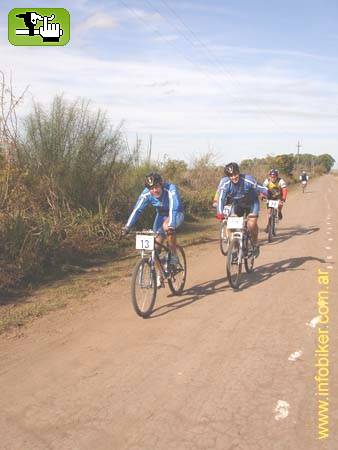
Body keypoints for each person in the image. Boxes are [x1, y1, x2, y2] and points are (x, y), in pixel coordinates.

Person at [123, 172, 184, 287]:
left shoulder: (171, 189)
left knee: (167, 227)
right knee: (154, 248)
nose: (154, 190)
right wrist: (127, 226)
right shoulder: (146, 194)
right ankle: (160, 275)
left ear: (161, 184)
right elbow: (137, 210)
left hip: (176, 213)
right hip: (161, 215)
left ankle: (174, 257)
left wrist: (170, 224)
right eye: (151, 188)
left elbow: (174, 208)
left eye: (156, 187)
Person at [215, 162, 268, 256]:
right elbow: (221, 198)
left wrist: (267, 193)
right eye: (231, 175)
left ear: (239, 172)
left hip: (252, 203)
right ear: (228, 176)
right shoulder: (225, 183)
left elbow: (260, 187)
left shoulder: (248, 179)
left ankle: (255, 244)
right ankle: (235, 249)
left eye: (235, 174)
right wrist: (220, 213)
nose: (234, 177)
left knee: (251, 224)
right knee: (231, 226)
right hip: (237, 203)